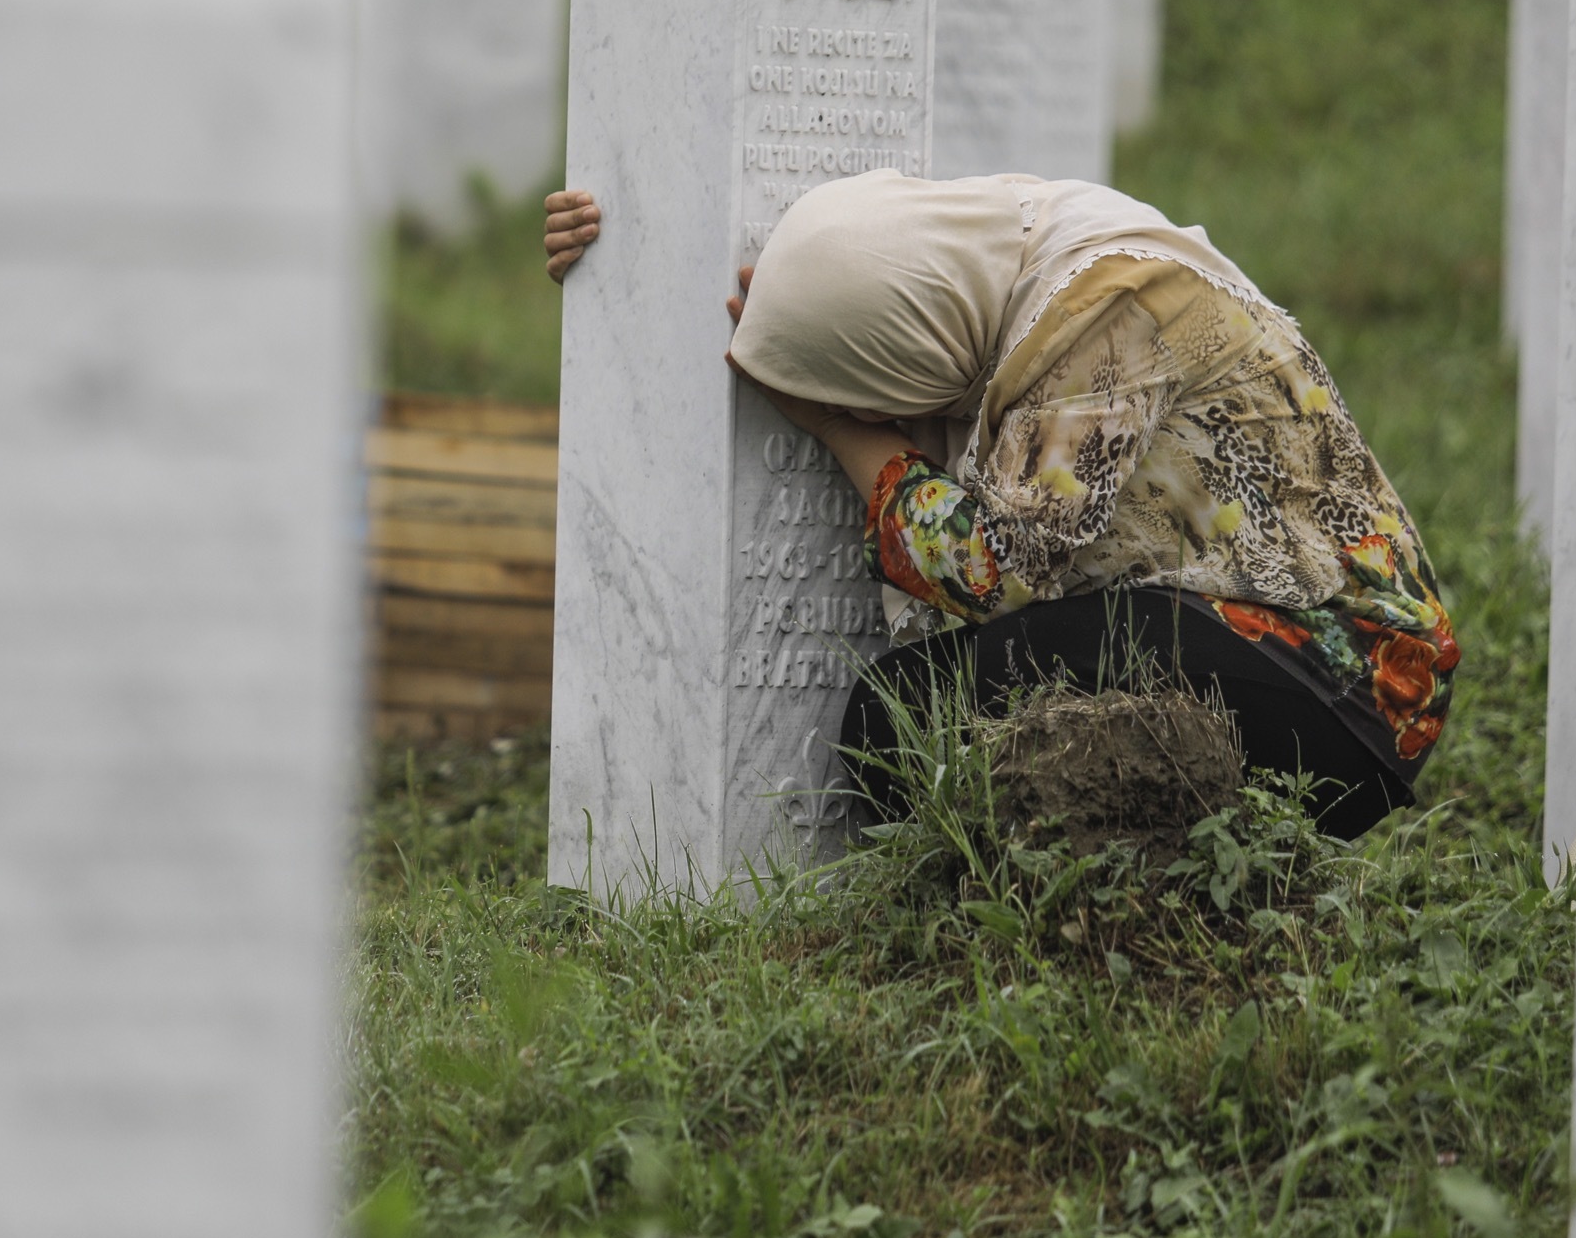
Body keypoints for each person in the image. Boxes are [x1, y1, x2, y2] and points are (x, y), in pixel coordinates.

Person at [543, 171, 1456, 837]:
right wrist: (625, 247)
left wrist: (843, 432)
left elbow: (1000, 565)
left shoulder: (1111, 307)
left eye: (868, 377)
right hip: (1271, 653)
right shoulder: (1024, 266)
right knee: (919, 711)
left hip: (1347, 685)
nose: (878, 404)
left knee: (900, 725)